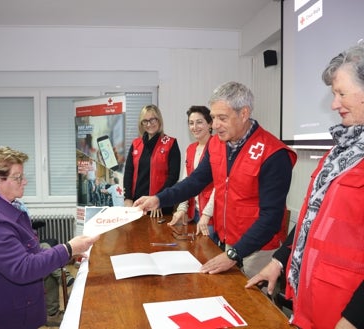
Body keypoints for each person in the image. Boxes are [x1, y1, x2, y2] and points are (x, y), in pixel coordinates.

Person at [246, 42, 364, 329]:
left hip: (344, 316)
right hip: (309, 305)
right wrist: (279, 261)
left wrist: (353, 319)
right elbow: (310, 221)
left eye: (341, 93)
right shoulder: (338, 153)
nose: (334, 104)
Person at [134, 82, 297, 278]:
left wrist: (233, 255)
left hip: (258, 249)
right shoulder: (217, 144)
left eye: (222, 118)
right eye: (213, 118)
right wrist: (158, 199)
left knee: (252, 306)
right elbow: (195, 181)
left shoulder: (273, 153)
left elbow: (271, 217)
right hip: (228, 242)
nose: (215, 125)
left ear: (244, 113)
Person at [0, 146, 98, 329]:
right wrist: (68, 249)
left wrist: (67, 253)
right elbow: (22, 268)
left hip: (7, 308)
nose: (25, 181)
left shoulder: (4, 207)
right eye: (17, 177)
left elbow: (29, 252)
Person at [168, 105, 216, 240]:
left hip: (211, 216)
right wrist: (182, 209)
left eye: (199, 122)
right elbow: (186, 181)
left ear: (210, 124)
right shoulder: (190, 149)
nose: (195, 127)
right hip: (193, 213)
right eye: (191, 123)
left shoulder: (218, 147)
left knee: (207, 254)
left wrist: (206, 214)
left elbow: (220, 186)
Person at [123, 104, 181, 216]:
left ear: (159, 120)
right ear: (141, 124)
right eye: (145, 121)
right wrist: (128, 198)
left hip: (160, 206)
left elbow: (173, 177)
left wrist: (158, 199)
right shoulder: (136, 144)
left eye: (152, 119)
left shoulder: (170, 143)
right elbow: (128, 173)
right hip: (137, 205)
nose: (149, 124)